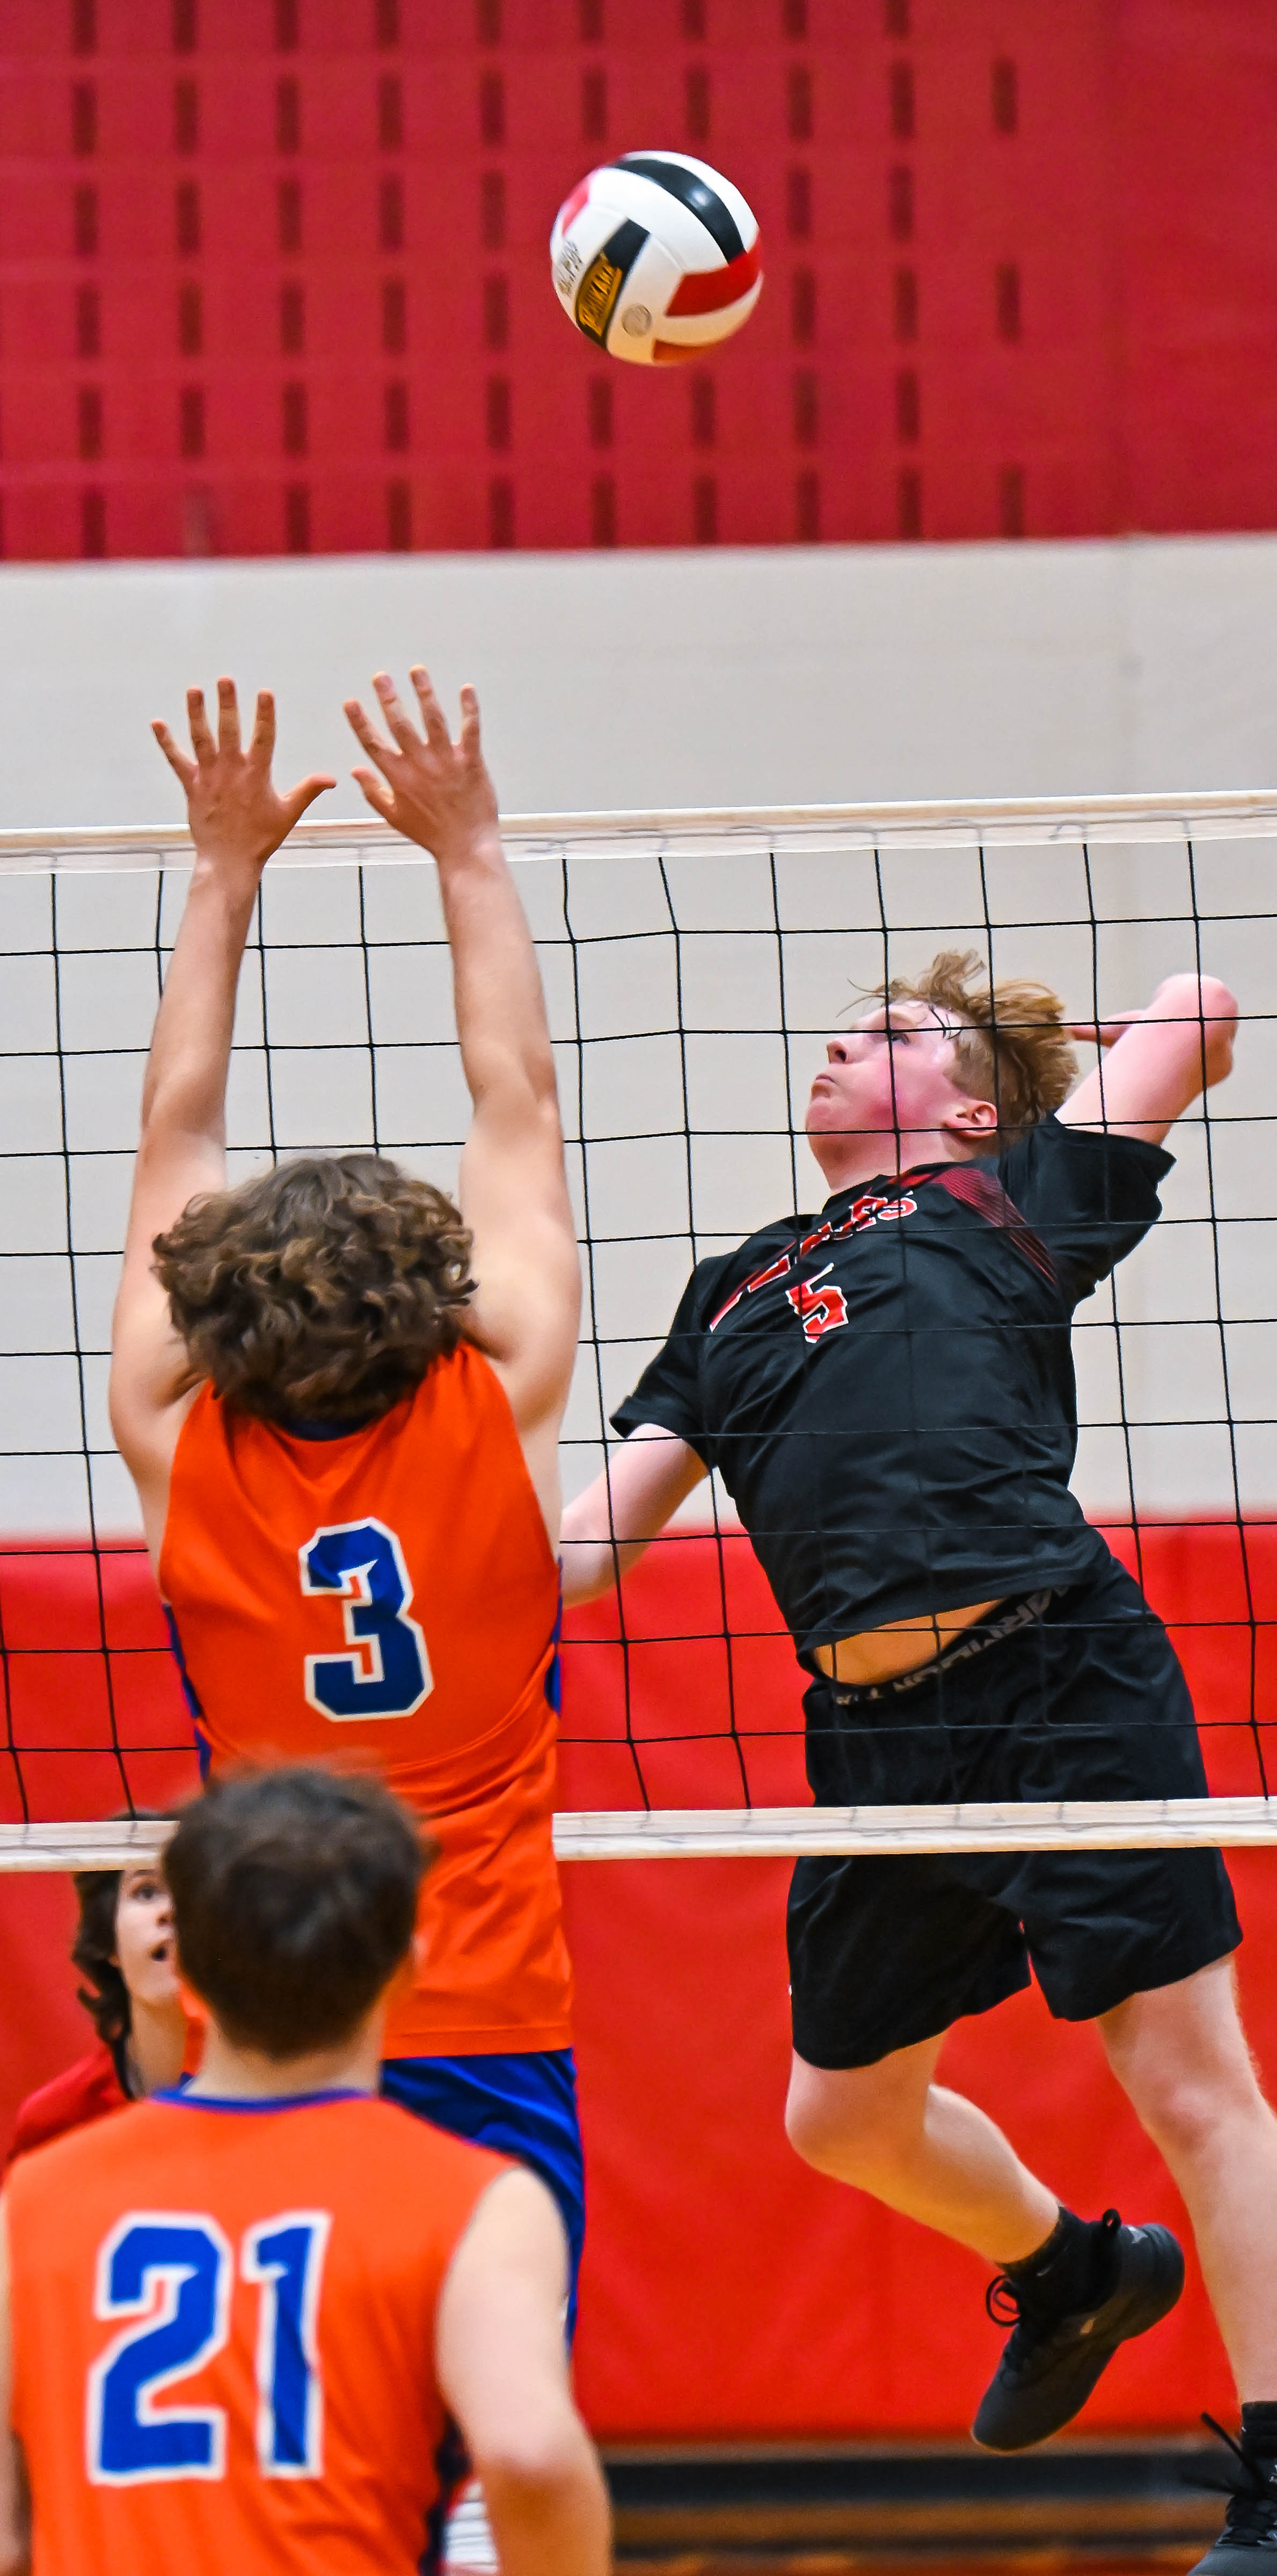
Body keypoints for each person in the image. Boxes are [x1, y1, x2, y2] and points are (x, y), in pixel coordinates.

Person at [560, 949, 1277, 2576]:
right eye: (846, 1027)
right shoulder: (729, 1288)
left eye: (892, 1031)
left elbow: (1201, 1001)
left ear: (973, 1107)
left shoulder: (1012, 1202)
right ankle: (1071, 2267)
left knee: (1192, 2081)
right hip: (872, 1732)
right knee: (837, 2117)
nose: (842, 1042)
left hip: (1059, 1674)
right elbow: (591, 1543)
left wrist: (1040, 1063)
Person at [107, 673, 583, 2571]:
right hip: (485, 1998)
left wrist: (219, 875)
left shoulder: (173, 1437)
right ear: (443, 1305)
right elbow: (515, 1101)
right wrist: (470, 848)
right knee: (485, 2426)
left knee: (292, 2412)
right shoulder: (507, 1392)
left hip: (266, 1995)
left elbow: (173, 1137)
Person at [0, 1763, 610, 2576]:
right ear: (405, 1969)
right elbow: (530, 2458)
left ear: (192, 1958)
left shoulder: (38, 2194)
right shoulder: (475, 2201)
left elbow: (9, 2536)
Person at [7, 1856, 186, 2163]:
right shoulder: (58, 2119)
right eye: (146, 1892)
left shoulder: (276, 2101)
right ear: (108, 1942)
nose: (169, 1911)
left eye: (190, 1891)